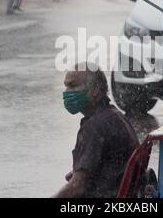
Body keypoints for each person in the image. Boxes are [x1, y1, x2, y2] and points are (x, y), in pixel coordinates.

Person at [53, 62, 140, 198]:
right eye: (66, 86)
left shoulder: (95, 127)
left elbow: (77, 187)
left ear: (94, 89)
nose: (66, 92)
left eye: (72, 86)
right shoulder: (113, 115)